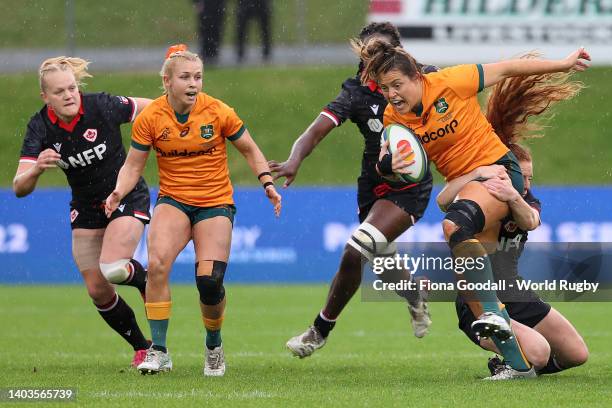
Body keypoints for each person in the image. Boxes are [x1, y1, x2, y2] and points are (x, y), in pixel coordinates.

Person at [358, 39, 590, 379]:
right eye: (385, 88)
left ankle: (499, 328)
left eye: (397, 84)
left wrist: (563, 63)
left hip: (499, 170)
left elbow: (509, 68)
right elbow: (388, 164)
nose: (391, 94)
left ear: (418, 77)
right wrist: (389, 165)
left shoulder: (452, 81)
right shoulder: (396, 117)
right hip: (469, 186)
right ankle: (514, 358)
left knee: (575, 354)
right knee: (459, 230)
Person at [105, 45, 281, 376]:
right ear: (167, 81)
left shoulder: (218, 111)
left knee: (210, 282)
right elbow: (133, 165)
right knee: (156, 266)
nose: (193, 84)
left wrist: (267, 183)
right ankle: (159, 351)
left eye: (198, 77)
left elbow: (250, 148)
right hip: (173, 201)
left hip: (215, 202)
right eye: (185, 77)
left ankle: (213, 346)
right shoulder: (151, 118)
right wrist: (118, 191)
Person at [273, 22, 438, 359]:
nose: (370, 63)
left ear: (397, 55)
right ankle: (415, 296)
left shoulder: (424, 80)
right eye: (367, 55)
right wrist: (294, 159)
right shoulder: (355, 93)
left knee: (355, 251)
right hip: (372, 185)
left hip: (409, 188)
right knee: (383, 262)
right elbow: (315, 131)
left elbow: (462, 111)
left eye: (379, 54)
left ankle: (319, 330)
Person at [435, 64, 588, 378]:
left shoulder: (524, 199)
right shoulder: (482, 195)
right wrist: (477, 173)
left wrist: (513, 194)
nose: (527, 183)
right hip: (479, 299)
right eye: (522, 176)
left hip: (515, 292)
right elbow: (443, 200)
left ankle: (519, 363)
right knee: (540, 351)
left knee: (576, 354)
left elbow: (530, 221)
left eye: (530, 177)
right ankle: (512, 360)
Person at [13, 57, 153, 368]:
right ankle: (142, 347)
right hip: (86, 207)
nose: (69, 95)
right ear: (45, 97)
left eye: (72, 88)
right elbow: (19, 187)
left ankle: (146, 282)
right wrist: (36, 169)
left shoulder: (102, 105)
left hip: (126, 195)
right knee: (97, 289)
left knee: (114, 268)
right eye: (59, 91)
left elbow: (155, 108)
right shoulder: (40, 127)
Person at [193, 0, 226, 65]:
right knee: (205, 30)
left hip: (217, 7)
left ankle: (213, 53)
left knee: (216, 30)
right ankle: (206, 52)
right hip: (206, 7)